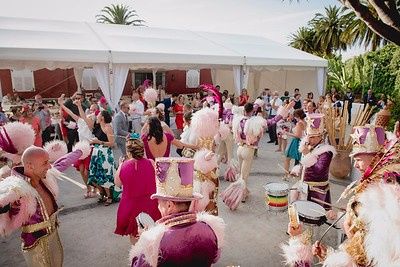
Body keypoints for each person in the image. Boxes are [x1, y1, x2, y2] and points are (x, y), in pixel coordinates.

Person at [0, 143, 88, 267]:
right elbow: (3, 200)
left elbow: (62, 163)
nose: (49, 166)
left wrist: (80, 151)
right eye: (45, 163)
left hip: (53, 237)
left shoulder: (43, 177)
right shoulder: (15, 189)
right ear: (30, 166)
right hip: (35, 244)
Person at [129, 157, 225, 267]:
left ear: (169, 205)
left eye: (159, 203)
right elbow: (215, 257)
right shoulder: (209, 228)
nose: (158, 207)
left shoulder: (156, 240)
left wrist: (143, 242)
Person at [59, 96, 119, 206]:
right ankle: (102, 194)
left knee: (104, 175)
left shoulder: (107, 127)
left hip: (104, 153)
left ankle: (109, 196)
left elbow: (112, 143)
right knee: (95, 175)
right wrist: (76, 106)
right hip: (96, 153)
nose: (97, 114)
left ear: (103, 117)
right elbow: (83, 118)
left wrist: (98, 141)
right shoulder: (95, 126)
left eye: (99, 113)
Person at [114, 133, 161, 242]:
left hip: (130, 206)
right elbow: (159, 180)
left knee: (134, 235)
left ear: (128, 151)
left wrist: (121, 164)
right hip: (151, 204)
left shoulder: (123, 165)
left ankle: (138, 256)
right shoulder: (151, 163)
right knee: (153, 233)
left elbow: (117, 183)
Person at [294, 113, 336, 208]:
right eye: (309, 136)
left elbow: (319, 171)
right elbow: (306, 166)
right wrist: (298, 170)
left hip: (316, 191)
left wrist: (307, 154)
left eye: (313, 137)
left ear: (321, 136)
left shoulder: (327, 152)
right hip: (305, 187)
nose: (309, 140)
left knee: (313, 215)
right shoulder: (310, 146)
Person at [283, 109, 306, 176]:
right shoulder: (304, 122)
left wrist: (287, 133)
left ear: (297, 116)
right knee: (298, 159)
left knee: (287, 158)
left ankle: (286, 174)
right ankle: (295, 173)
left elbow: (298, 135)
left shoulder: (299, 123)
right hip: (301, 141)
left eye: (295, 116)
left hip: (296, 141)